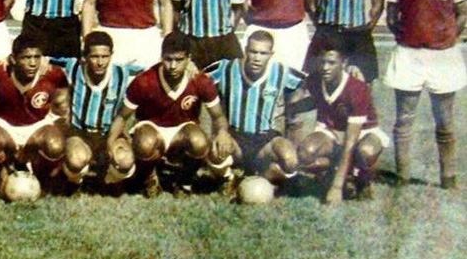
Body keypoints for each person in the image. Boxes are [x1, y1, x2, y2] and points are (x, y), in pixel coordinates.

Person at [383, 0, 467, 190]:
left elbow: (462, 14)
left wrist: (449, 37)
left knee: (444, 121)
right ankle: (403, 176)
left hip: (442, 55)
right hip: (410, 54)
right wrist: (407, 38)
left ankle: (448, 177)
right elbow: (392, 17)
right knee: (404, 120)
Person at [106, 31, 234, 196]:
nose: (173, 66)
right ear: (161, 57)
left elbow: (218, 116)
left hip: (183, 130)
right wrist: (111, 142)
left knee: (199, 141)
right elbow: (122, 116)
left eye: (179, 60)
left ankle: (184, 181)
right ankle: (149, 178)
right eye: (168, 59)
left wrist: (223, 132)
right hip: (151, 128)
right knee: (145, 142)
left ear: (188, 58)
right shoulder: (145, 81)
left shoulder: (199, 80)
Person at [297, 35, 387, 204]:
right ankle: (334, 172)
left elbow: (351, 141)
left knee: (365, 151)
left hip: (362, 133)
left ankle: (362, 179)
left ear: (344, 63)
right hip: (332, 132)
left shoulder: (357, 88)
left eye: (332, 63)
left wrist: (336, 188)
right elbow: (311, 98)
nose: (325, 67)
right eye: (322, 62)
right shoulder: (316, 80)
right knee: (305, 153)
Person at [205, 31, 303, 187]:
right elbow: (197, 79)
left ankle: (263, 178)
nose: (257, 58)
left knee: (291, 160)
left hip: (265, 140)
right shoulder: (226, 68)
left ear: (271, 54)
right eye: (253, 51)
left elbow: (311, 82)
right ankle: (228, 180)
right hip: (234, 136)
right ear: (245, 50)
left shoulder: (281, 72)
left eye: (263, 53)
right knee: (214, 149)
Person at [0, 33, 70, 198]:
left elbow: (61, 111)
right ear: (13, 59)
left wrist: (48, 131)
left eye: (36, 57)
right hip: (5, 124)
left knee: (55, 145)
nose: (33, 63)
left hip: (37, 125)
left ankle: (40, 178)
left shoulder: (52, 75)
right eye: (26, 58)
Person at [52, 31, 140, 193]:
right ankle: (75, 181)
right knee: (76, 160)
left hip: (110, 134)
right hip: (80, 133)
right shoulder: (73, 67)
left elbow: (157, 67)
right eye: (94, 56)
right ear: (85, 57)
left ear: (111, 55)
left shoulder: (122, 73)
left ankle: (108, 180)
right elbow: (41, 57)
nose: (100, 62)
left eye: (105, 56)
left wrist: (191, 66)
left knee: (125, 160)